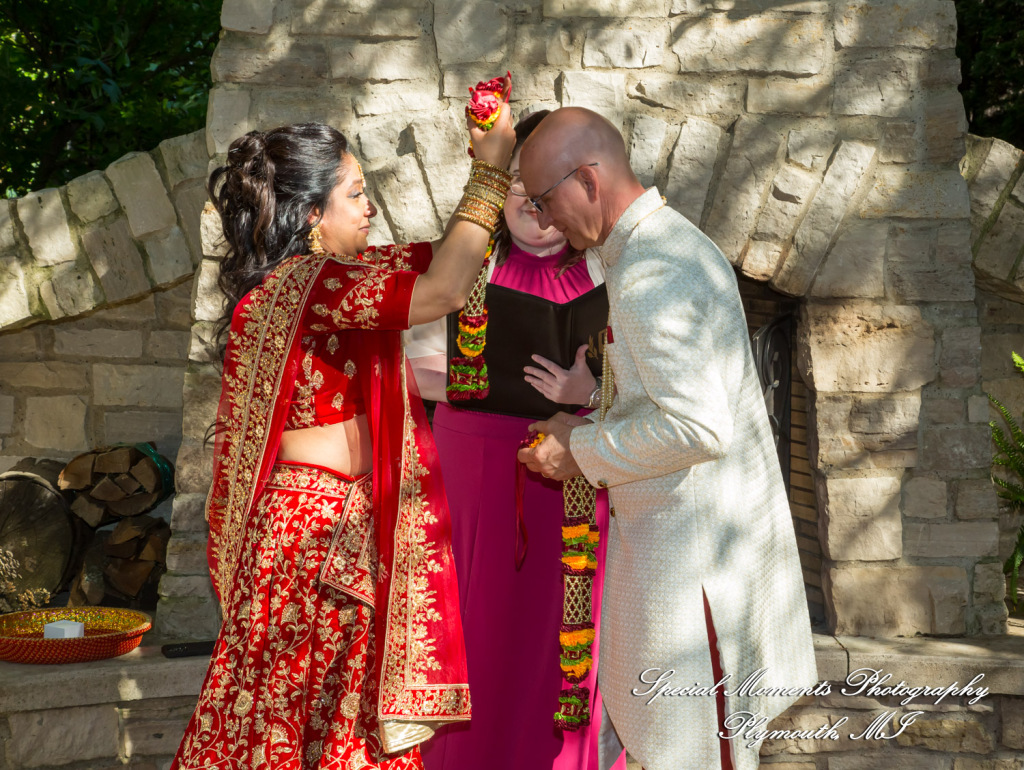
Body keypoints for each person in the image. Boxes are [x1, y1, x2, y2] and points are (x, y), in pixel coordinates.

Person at [171, 98, 517, 770]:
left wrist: (492, 184)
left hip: (314, 530)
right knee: (320, 725)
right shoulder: (313, 286)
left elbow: (449, 259)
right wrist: (493, 171)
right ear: (309, 216)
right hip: (314, 537)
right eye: (355, 194)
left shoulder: (313, 286)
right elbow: (445, 289)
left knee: (315, 724)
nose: (369, 209)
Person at [516, 107, 818, 770]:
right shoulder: (669, 243)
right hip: (705, 555)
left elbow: (695, 426)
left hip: (694, 582)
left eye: (545, 199)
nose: (542, 218)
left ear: (588, 181)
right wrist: (589, 419)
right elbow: (672, 401)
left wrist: (578, 453)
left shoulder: (652, 272)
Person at [408, 110, 611, 770]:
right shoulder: (462, 261)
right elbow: (405, 366)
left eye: (544, 187)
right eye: (520, 181)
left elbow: (651, 395)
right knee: (474, 627)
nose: (533, 202)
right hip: (474, 470)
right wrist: (467, 381)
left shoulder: (612, 271)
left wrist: (587, 393)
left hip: (567, 472)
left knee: (551, 637)